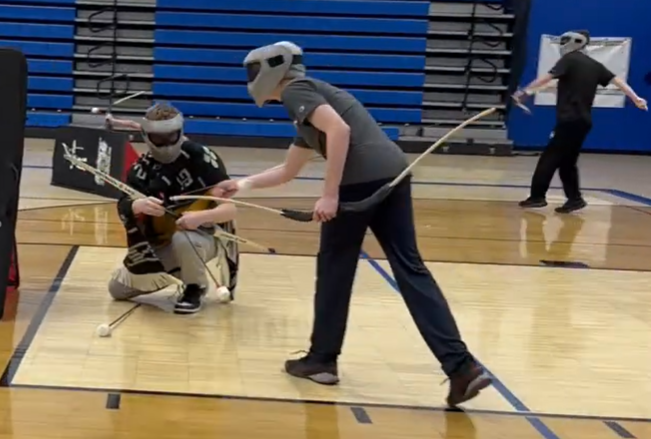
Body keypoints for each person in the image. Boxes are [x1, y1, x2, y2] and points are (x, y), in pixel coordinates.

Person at [215, 41, 491, 407]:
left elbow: (340, 132)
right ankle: (461, 366)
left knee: (334, 268)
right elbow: (288, 170)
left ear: (271, 70)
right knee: (410, 269)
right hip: (392, 175)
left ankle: (322, 360)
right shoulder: (310, 101)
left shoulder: (298, 91)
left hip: (359, 185)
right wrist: (242, 184)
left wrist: (330, 195)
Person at [110, 103, 239, 314]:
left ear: (181, 132)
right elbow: (123, 206)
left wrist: (200, 217)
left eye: (172, 136)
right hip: (162, 242)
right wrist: (137, 205)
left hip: (202, 238)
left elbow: (230, 210)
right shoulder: (141, 170)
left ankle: (194, 287)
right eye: (159, 139)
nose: (167, 145)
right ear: (146, 136)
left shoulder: (202, 158)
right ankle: (182, 271)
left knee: (184, 238)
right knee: (116, 290)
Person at [513, 30, 647, 213]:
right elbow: (618, 81)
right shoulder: (594, 64)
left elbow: (547, 77)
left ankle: (537, 197)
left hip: (570, 119)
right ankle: (575, 199)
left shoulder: (570, 59)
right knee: (567, 162)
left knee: (549, 158)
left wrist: (525, 92)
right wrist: (636, 98)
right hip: (583, 121)